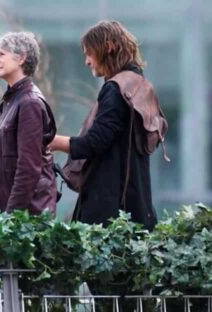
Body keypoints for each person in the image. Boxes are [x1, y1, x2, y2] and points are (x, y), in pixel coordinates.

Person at [50, 20, 166, 231]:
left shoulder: (115, 89)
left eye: (89, 53)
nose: (86, 61)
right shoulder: (139, 84)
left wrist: (55, 142)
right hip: (134, 201)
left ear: (109, 46)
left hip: (110, 207)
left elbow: (96, 141)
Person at [0, 31, 58, 215]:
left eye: (1, 54)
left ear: (21, 58)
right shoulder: (12, 100)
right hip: (14, 215)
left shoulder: (29, 103)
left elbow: (28, 168)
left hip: (26, 219)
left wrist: (10, 218)